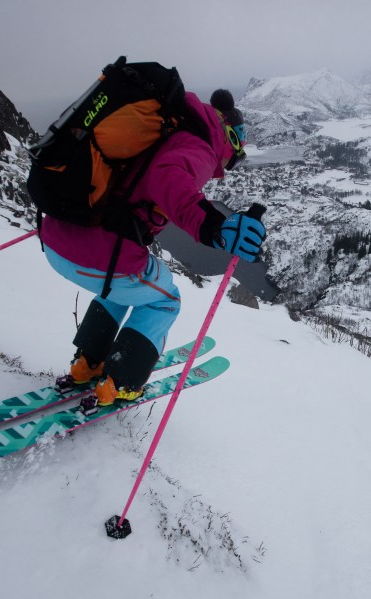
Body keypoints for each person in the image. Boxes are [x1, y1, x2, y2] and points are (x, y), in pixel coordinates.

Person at [38, 89, 266, 407]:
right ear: (231, 137)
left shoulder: (164, 128)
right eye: (235, 157)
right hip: (102, 253)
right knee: (166, 300)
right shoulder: (203, 145)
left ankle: (87, 364)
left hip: (56, 237)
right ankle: (121, 383)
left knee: (121, 291)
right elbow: (168, 179)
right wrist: (216, 228)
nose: (227, 168)